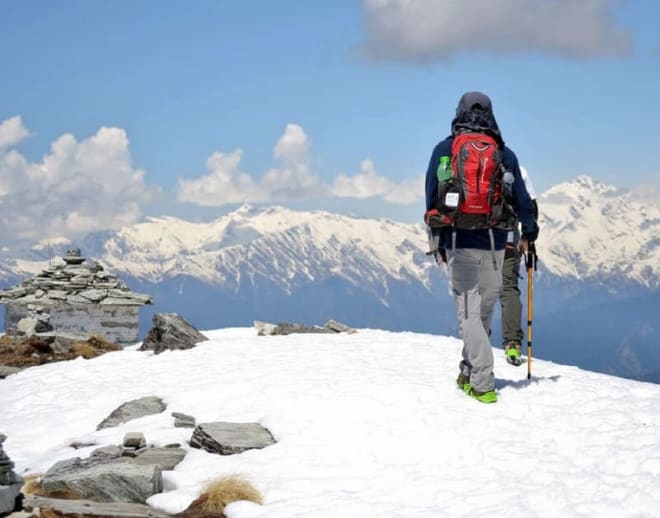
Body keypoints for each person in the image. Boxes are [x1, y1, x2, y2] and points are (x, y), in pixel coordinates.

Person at [424, 91, 538, 404]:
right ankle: (468, 370)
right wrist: (530, 232)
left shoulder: (445, 150)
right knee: (483, 311)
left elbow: (432, 196)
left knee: (469, 314)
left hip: (460, 241)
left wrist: (439, 241)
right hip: (497, 244)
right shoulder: (503, 152)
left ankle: (483, 381)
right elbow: (523, 202)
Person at [500, 166, 538, 366]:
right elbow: (529, 204)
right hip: (506, 236)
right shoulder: (515, 166)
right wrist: (528, 236)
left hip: (474, 239)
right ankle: (512, 343)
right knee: (508, 287)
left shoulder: (465, 159)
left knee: (477, 292)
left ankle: (475, 345)